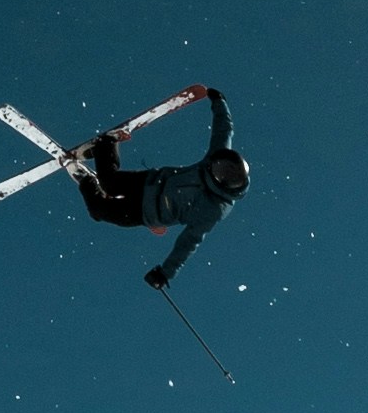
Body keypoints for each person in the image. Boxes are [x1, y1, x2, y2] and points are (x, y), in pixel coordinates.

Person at [79, 87, 249, 287]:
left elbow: (189, 243)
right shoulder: (216, 158)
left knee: (98, 210)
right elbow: (224, 129)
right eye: (218, 166)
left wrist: (165, 273)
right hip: (151, 182)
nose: (217, 169)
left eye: (222, 173)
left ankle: (86, 180)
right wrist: (219, 102)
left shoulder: (213, 209)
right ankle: (106, 144)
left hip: (145, 213)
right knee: (109, 182)